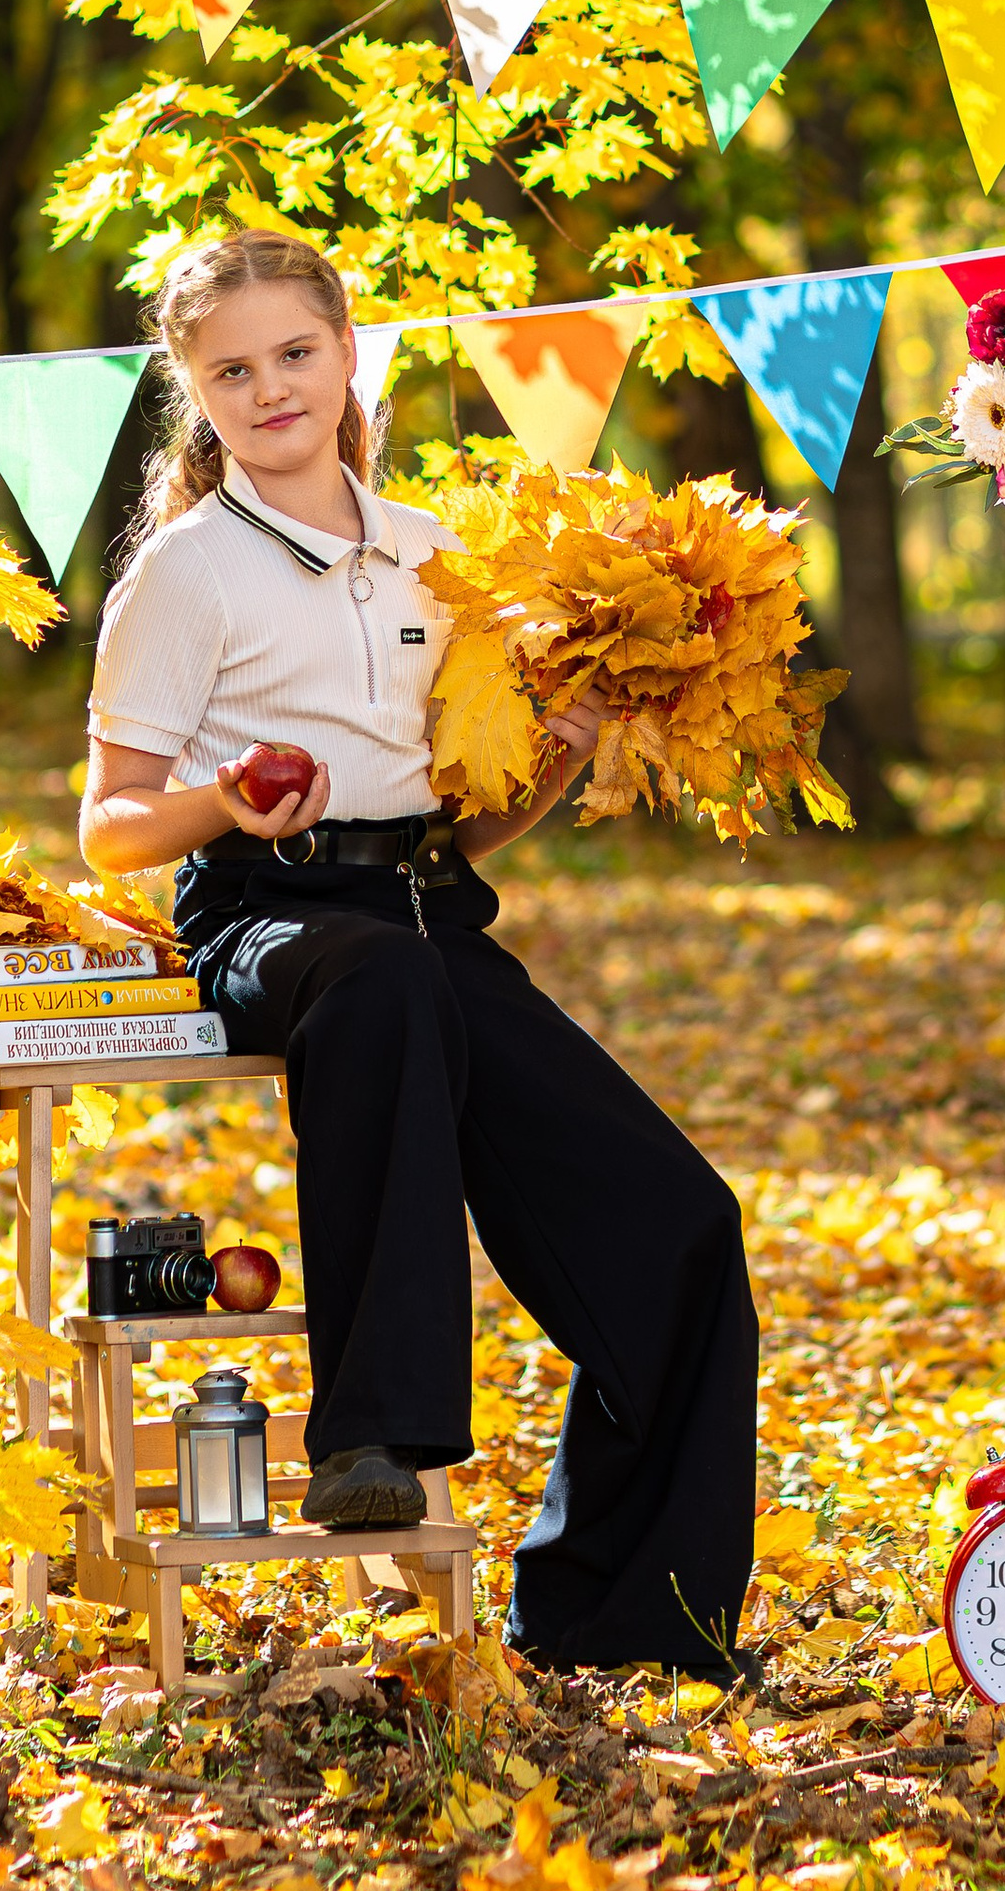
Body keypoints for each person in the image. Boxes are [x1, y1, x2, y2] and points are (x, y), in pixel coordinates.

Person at [78, 227, 759, 1675]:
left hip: (426, 915)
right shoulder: (185, 575)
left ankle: (625, 1621)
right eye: (232, 369)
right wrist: (226, 797)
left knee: (683, 1227)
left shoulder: (439, 559)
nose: (271, 389)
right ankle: (371, 1433)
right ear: (195, 393)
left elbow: (471, 819)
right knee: (378, 981)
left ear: (346, 352)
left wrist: (558, 754)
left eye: (296, 353)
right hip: (268, 911)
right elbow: (111, 828)